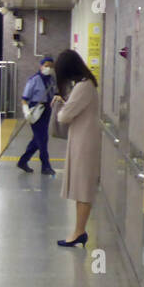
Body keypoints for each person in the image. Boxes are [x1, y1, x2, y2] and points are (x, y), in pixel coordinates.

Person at [50, 50, 101, 247]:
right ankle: (78, 231)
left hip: (84, 143)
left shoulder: (83, 87)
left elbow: (64, 117)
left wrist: (64, 107)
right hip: (83, 140)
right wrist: (66, 104)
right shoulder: (87, 85)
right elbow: (73, 109)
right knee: (81, 187)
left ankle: (79, 232)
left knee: (82, 188)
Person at [18, 55, 57, 174]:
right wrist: (26, 112)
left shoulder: (51, 79)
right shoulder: (34, 80)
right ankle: (45, 165)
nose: (48, 68)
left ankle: (23, 161)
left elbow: (53, 93)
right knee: (43, 138)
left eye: (51, 66)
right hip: (35, 110)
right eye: (46, 66)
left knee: (37, 139)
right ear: (41, 66)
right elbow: (24, 98)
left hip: (46, 110)